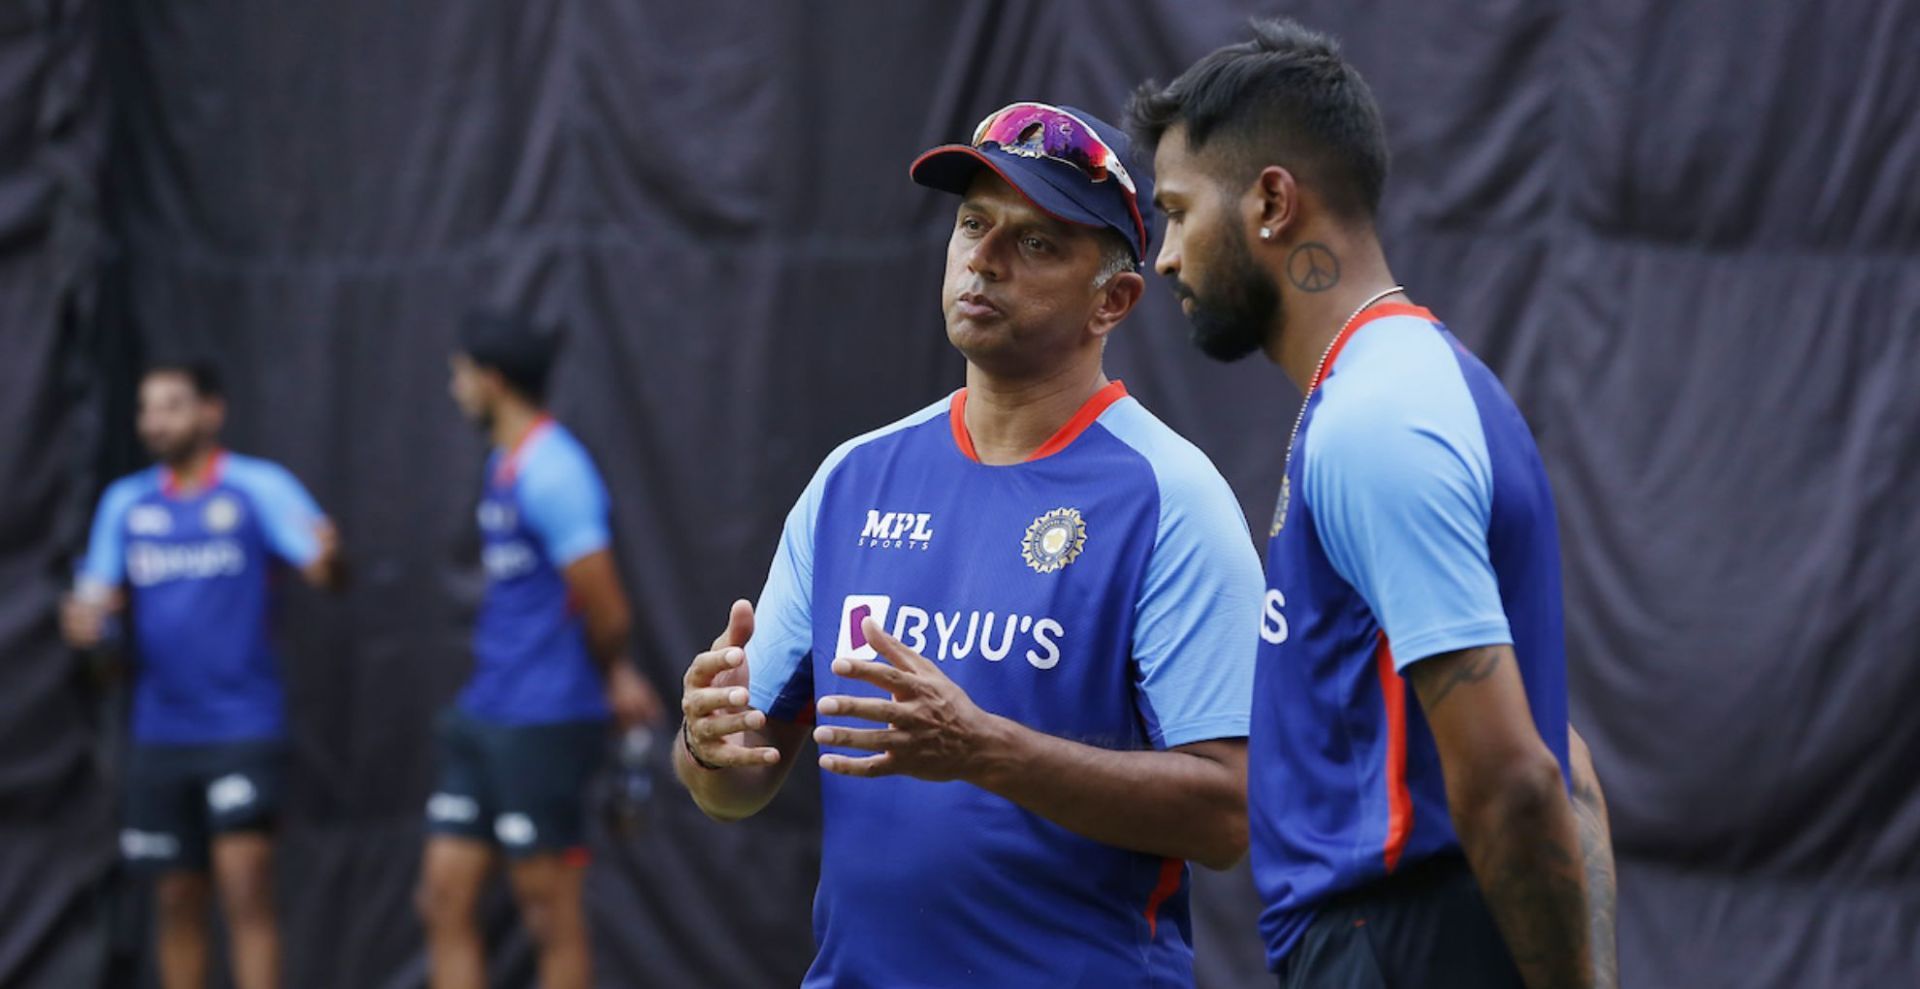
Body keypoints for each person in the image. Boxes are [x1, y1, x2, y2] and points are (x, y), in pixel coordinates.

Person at [673, 101, 1263, 987]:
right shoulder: (852, 480)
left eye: (1034, 242)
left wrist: (985, 748)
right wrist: (706, 742)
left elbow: (1230, 817)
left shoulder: (1169, 497)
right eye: (973, 225)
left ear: (1115, 299)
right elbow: (734, 786)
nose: (983, 258)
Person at [1129, 19, 1617, 989]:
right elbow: (1568, 763)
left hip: (1400, 947)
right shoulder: (1420, 388)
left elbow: (1521, 779)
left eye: (1179, 212)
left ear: (1272, 200)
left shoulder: (1376, 422)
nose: (1166, 258)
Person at [64, 361, 343, 989]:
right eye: (146, 409)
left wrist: (330, 560)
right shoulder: (125, 504)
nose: (155, 422)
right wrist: (91, 632)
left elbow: (327, 571)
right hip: (160, 732)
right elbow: (101, 630)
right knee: (174, 901)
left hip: (241, 727)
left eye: (171, 406)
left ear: (211, 413)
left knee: (246, 891)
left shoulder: (255, 488)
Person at [416, 312, 664, 989]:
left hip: (546, 719)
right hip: (485, 711)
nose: (454, 387)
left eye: (460, 374)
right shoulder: (505, 460)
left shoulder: (556, 471)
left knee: (547, 913)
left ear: (492, 381)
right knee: (442, 896)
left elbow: (607, 606)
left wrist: (611, 673)